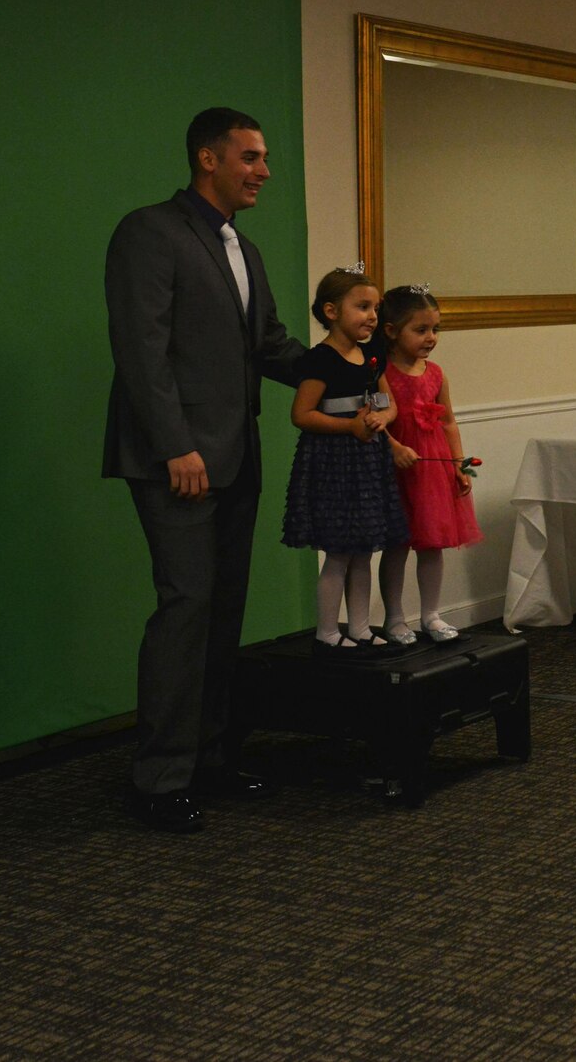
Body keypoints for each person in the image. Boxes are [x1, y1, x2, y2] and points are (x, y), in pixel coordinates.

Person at [105, 106, 307, 834]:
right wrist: (175, 446)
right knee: (185, 607)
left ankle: (209, 759)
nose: (264, 170)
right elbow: (141, 350)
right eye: (251, 157)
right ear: (207, 158)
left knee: (222, 611)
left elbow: (272, 345)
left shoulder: (241, 250)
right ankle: (157, 779)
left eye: (264, 157)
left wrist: (355, 366)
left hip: (235, 456)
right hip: (179, 460)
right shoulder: (148, 233)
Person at [281, 267, 410, 652]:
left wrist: (381, 417)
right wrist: (349, 428)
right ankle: (326, 629)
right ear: (332, 311)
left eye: (375, 307)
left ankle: (359, 626)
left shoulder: (371, 355)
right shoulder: (321, 359)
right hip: (334, 462)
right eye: (362, 306)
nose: (372, 315)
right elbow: (302, 415)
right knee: (339, 550)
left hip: (367, 461)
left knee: (364, 549)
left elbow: (388, 403)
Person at [374, 285, 483, 644]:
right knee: (397, 543)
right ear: (390, 331)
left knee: (432, 543)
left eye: (435, 329)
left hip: (431, 470)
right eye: (420, 330)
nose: (431, 338)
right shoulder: (381, 372)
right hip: (396, 468)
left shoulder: (436, 373)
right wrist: (393, 447)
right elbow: (374, 420)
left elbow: (448, 421)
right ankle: (394, 618)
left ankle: (432, 615)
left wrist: (457, 464)